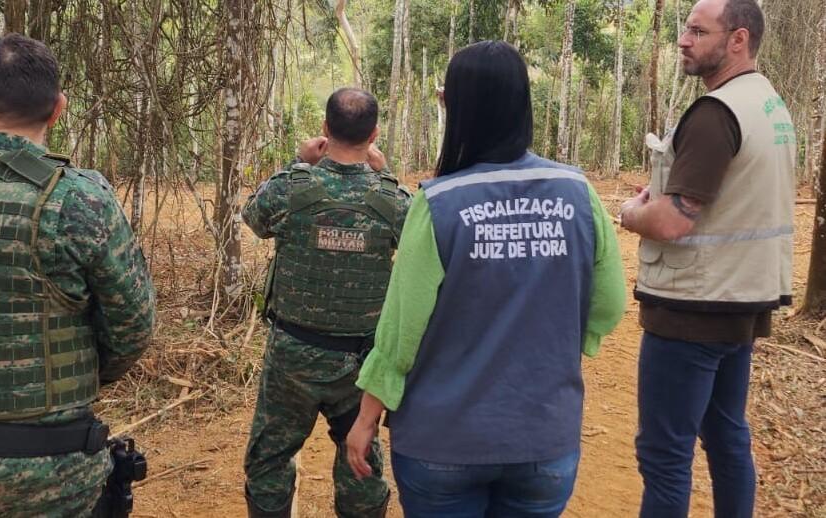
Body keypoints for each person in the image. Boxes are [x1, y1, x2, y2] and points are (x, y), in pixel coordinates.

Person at [346, 41, 625, 517]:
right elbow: (609, 305)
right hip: (543, 439)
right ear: (522, 105)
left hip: (443, 442)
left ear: (458, 109)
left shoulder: (438, 203)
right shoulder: (579, 193)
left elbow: (399, 332)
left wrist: (367, 416)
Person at [0, 34, 155, 516]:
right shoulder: (78, 198)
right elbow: (133, 327)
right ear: (59, 108)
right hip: (49, 472)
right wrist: (69, 381)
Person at [618, 1, 795, 516]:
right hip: (741, 302)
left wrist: (633, 212)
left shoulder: (716, 113)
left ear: (737, 40)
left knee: (665, 454)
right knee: (725, 434)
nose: (684, 40)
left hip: (693, 308)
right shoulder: (768, 105)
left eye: (698, 31)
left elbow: (674, 221)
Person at [242, 87, 411, 518]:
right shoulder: (391, 199)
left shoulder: (291, 188)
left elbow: (254, 218)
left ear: (324, 130)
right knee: (360, 463)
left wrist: (300, 162)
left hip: (292, 357)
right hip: (359, 365)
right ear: (373, 134)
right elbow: (417, 236)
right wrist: (385, 170)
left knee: (270, 462)